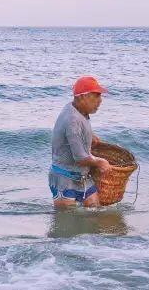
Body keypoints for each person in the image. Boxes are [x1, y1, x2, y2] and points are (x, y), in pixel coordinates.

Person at [49, 76, 112, 208]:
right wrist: (100, 162)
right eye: (96, 96)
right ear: (83, 97)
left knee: (95, 210)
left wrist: (89, 135)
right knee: (66, 222)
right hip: (64, 178)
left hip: (82, 177)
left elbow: (75, 130)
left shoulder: (77, 109)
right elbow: (80, 158)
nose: (100, 101)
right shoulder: (73, 119)